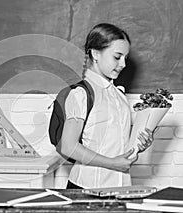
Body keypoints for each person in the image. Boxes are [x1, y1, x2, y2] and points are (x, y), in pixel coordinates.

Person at [59, 23, 154, 189]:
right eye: (117, 57)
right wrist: (112, 163)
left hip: (121, 187)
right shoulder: (81, 94)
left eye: (125, 57)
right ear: (96, 54)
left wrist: (138, 146)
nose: (123, 64)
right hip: (87, 188)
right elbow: (68, 146)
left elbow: (117, 145)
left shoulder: (119, 96)